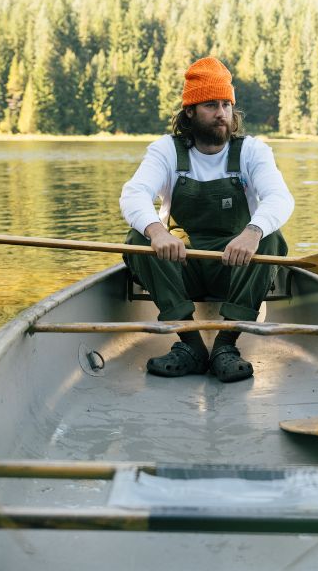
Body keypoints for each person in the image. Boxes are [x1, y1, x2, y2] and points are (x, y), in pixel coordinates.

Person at [119, 56, 295, 383]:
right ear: (190, 112)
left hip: (235, 270)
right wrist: (157, 232)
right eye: (211, 105)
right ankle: (191, 345)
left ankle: (226, 345)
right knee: (137, 237)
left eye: (227, 105)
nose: (221, 113)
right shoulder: (166, 151)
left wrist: (253, 231)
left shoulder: (252, 151)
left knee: (270, 237)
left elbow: (280, 199)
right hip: (183, 266)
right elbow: (133, 194)